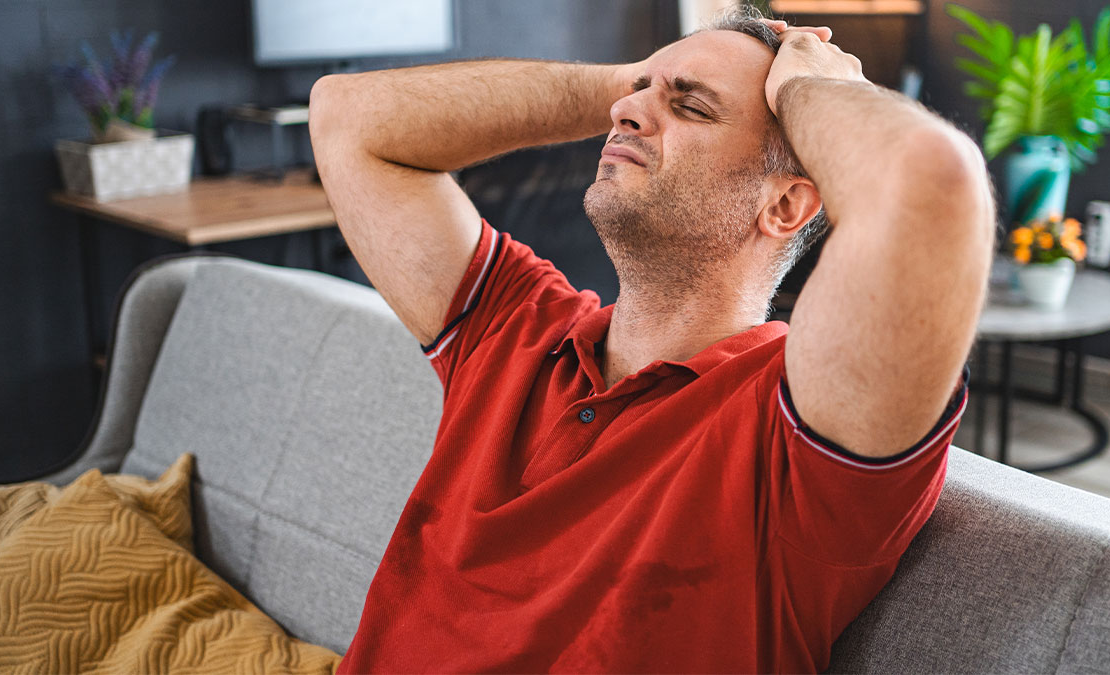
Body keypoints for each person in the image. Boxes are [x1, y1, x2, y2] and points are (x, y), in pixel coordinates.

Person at [308, 5, 994, 672]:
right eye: (635, 95)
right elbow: (346, 116)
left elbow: (930, 184)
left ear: (785, 204)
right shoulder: (517, 328)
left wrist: (809, 83)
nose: (625, 112)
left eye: (692, 107)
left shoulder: (791, 436)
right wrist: (638, 79)